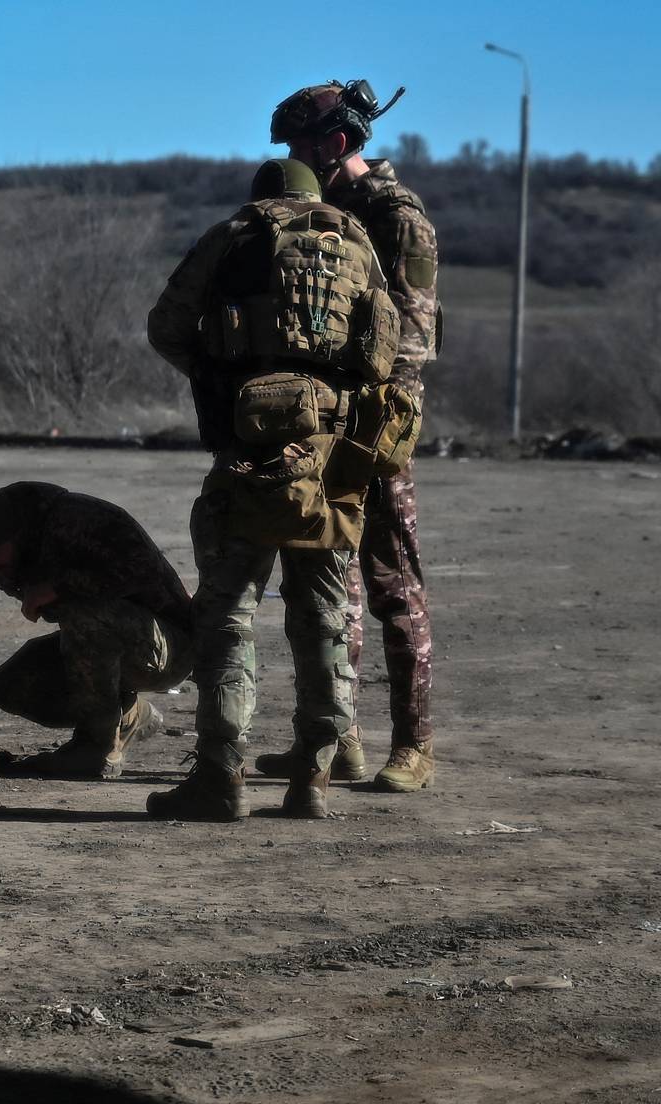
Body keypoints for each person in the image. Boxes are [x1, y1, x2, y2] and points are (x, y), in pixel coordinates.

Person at [144, 157, 399, 821]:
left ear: (262, 197)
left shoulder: (233, 236)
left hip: (249, 454)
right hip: (332, 462)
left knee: (228, 613)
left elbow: (165, 326)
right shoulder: (355, 243)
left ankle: (219, 777)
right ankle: (312, 777)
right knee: (322, 617)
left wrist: (218, 374)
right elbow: (386, 343)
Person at [256, 79, 440, 794]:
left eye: (302, 148)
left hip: (375, 426)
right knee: (334, 590)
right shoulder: (317, 216)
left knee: (393, 586)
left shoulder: (397, 219)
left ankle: (414, 747)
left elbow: (413, 343)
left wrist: (356, 404)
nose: (293, 161)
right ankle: (339, 740)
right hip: (324, 426)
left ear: (336, 145)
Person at [0, 481, 192, 778]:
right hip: (114, 641)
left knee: (83, 613)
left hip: (169, 646)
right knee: (10, 685)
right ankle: (126, 714)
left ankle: (97, 746)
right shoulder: (13, 557)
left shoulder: (75, 519)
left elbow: (143, 569)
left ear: (15, 532)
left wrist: (58, 588)